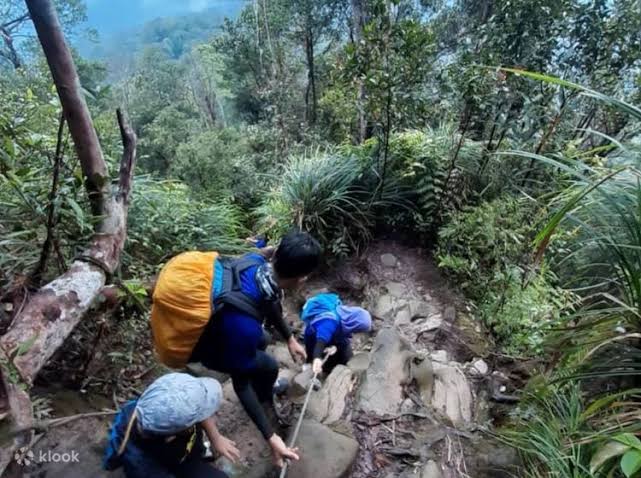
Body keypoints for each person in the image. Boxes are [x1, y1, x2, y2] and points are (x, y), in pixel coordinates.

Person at [152, 231, 322, 468]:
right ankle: (265, 397)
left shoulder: (256, 264)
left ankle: (259, 380)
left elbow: (267, 302)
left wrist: (290, 339)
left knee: (261, 339)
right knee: (268, 365)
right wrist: (271, 437)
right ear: (302, 278)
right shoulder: (244, 329)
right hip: (208, 347)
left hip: (228, 324)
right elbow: (240, 384)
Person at [103, 373, 238, 478]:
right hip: (171, 465)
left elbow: (200, 408)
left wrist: (216, 437)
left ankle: (199, 452)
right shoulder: (142, 464)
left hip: (187, 450)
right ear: (174, 434)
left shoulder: (155, 405)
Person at [301, 292, 372, 375]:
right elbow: (320, 343)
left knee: (346, 352)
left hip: (333, 335)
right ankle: (313, 366)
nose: (357, 332)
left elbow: (343, 338)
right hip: (314, 338)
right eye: (358, 329)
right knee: (324, 363)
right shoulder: (329, 322)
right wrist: (317, 359)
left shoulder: (344, 317)